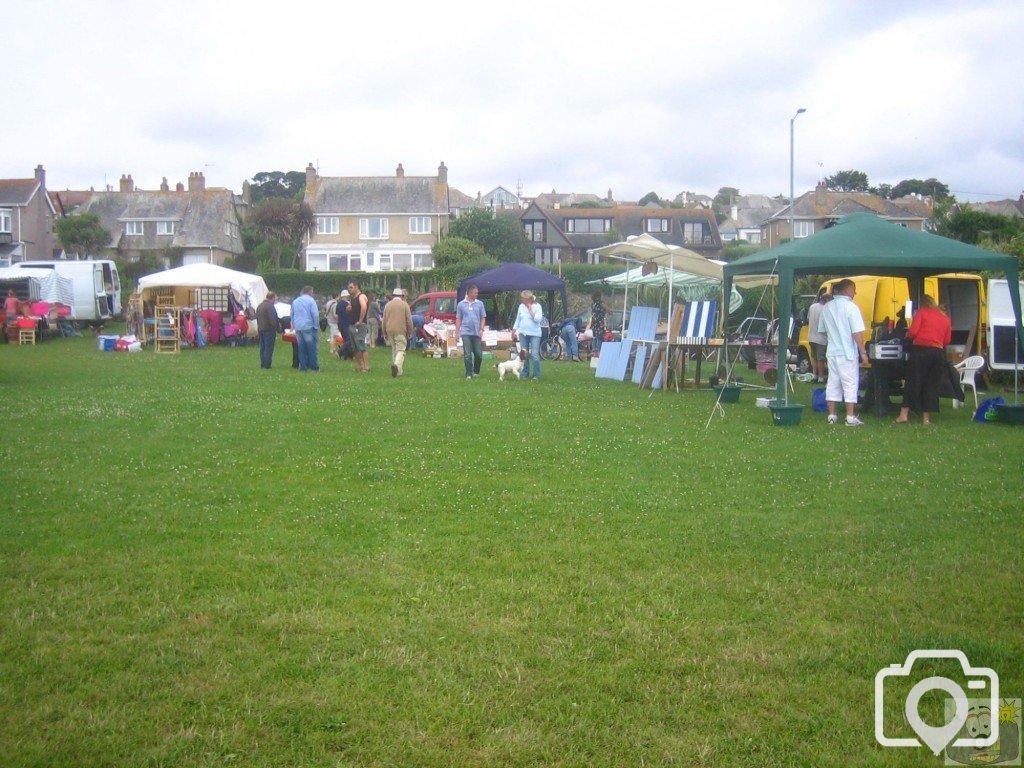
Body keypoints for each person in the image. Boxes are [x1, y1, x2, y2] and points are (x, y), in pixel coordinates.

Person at [818, 278, 868, 426]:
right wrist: (863, 352)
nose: (855, 292)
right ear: (847, 290)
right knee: (850, 384)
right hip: (847, 352)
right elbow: (857, 333)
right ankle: (850, 417)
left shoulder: (827, 307)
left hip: (832, 351)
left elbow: (823, 331)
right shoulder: (851, 307)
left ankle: (832, 415)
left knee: (832, 383)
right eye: (853, 289)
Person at [896, 295, 952, 425]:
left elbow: (913, 332)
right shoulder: (945, 317)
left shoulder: (922, 312)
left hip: (921, 351)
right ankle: (926, 418)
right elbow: (947, 340)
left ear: (922, 304)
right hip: (938, 353)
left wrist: (907, 334)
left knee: (912, 382)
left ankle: (903, 415)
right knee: (931, 385)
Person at [455, 284, 487, 379]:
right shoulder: (461, 304)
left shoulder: (480, 304)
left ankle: (476, 371)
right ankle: (468, 373)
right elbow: (458, 319)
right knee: (467, 354)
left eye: (477, 293)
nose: (476, 294)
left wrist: (481, 329)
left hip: (477, 332)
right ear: (469, 293)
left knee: (478, 354)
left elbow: (483, 317)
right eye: (475, 293)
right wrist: (457, 332)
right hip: (465, 332)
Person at [382, 288, 414, 377]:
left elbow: (384, 320)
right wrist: (410, 331)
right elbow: (409, 320)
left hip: (389, 330)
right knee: (401, 350)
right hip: (400, 330)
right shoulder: (404, 305)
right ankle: (396, 365)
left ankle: (398, 371)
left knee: (394, 349)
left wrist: (384, 332)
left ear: (393, 296)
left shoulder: (388, 305)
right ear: (401, 296)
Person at [512, 290, 543, 380]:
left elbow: (538, 320)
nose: (522, 300)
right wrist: (514, 330)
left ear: (529, 299)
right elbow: (518, 319)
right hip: (523, 333)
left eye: (523, 298)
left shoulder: (537, 306)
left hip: (535, 334)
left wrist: (530, 310)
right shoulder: (521, 306)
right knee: (523, 354)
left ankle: (536, 375)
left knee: (534, 354)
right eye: (521, 298)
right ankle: (525, 373)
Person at [291, 286, 320, 372]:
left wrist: (294, 325)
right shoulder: (311, 301)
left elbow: (292, 314)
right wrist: (316, 326)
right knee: (312, 348)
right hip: (308, 326)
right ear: (310, 292)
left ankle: (303, 367)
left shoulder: (295, 301)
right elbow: (315, 314)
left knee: (301, 348)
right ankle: (314, 367)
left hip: (298, 327)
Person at [806, 288, 832, 383]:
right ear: (826, 300)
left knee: (815, 358)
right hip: (821, 338)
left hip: (811, 336)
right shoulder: (826, 309)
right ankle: (821, 377)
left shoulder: (812, 307)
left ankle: (814, 375)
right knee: (821, 359)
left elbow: (808, 318)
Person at [347, 280, 371, 373]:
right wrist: (350, 308)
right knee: (355, 347)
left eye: (351, 287)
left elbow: (364, 307)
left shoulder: (362, 296)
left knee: (361, 346)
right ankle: (359, 366)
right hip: (353, 324)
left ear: (357, 287)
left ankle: (366, 366)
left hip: (359, 325)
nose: (350, 289)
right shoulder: (354, 298)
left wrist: (360, 321)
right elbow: (357, 308)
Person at [255, 291, 279, 369]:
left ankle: (263, 363)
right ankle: (267, 364)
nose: (276, 299)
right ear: (272, 298)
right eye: (276, 297)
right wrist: (276, 328)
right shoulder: (270, 306)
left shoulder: (260, 305)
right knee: (269, 348)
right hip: (269, 330)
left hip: (261, 329)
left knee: (263, 347)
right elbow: (272, 320)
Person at [586, 292, 607, 356]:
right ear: (598, 296)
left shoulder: (593, 304)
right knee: (600, 337)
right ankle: (598, 351)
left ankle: (594, 351)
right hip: (600, 322)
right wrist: (610, 312)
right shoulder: (601, 303)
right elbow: (607, 309)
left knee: (595, 337)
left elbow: (593, 313)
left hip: (594, 322)